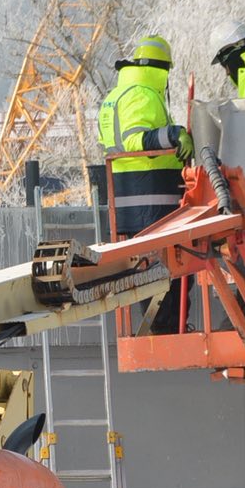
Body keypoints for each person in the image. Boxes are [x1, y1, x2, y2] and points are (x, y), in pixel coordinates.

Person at [97, 34, 194, 334]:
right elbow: (135, 140)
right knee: (177, 266)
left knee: (149, 270)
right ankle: (167, 328)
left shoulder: (115, 96)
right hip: (153, 200)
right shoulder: (142, 94)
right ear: (161, 69)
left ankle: (162, 327)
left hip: (129, 200)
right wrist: (175, 134)